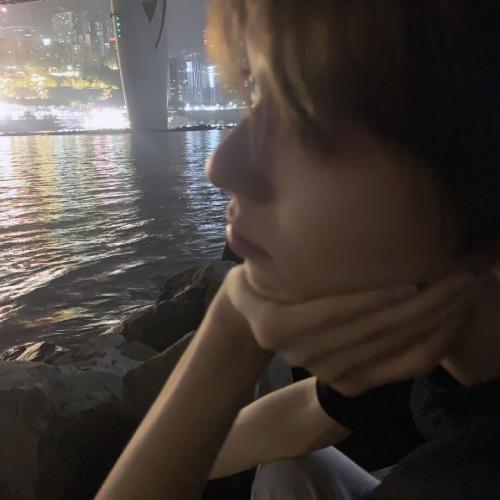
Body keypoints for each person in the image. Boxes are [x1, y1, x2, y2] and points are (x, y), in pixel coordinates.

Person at [96, 1, 500, 499]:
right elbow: (305, 415)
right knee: (288, 468)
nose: (222, 165)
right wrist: (233, 319)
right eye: (255, 90)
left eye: (309, 113)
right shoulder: (437, 342)